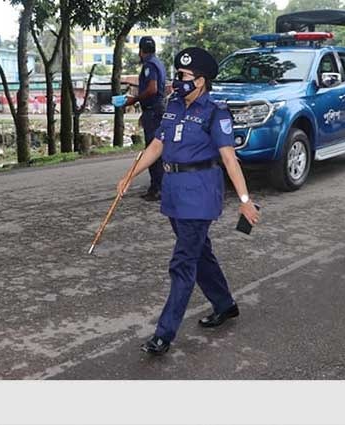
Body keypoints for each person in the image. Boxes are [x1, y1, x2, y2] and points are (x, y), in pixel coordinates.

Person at [116, 47, 260, 354]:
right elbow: (157, 145)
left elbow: (229, 159)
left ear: (202, 81)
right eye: (178, 75)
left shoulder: (215, 112)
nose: (178, 81)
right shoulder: (174, 106)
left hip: (199, 194)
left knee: (182, 263)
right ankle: (224, 304)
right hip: (174, 193)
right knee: (199, 253)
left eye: (184, 76)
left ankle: (163, 334)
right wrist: (130, 175)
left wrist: (245, 200)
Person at [122, 36, 167, 202]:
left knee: (153, 150)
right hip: (155, 110)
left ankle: (157, 188)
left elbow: (152, 89)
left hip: (154, 112)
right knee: (157, 149)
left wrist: (133, 100)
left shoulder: (149, 65)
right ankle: (159, 186)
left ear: (141, 51)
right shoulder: (159, 63)